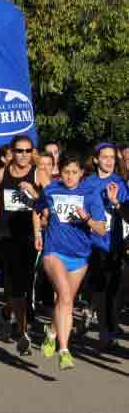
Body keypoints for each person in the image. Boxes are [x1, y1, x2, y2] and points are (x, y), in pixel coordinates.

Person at [35, 154, 107, 370]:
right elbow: (38, 209)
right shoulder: (51, 190)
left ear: (81, 174)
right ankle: (64, 350)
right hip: (54, 251)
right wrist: (40, 228)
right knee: (65, 296)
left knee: (65, 301)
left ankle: (52, 331)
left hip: (79, 256)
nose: (69, 176)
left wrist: (86, 218)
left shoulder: (90, 194)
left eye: (74, 172)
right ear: (60, 171)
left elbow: (101, 229)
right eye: (66, 172)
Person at [0, 135, 48, 354]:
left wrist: (34, 193)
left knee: (24, 285)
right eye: (19, 151)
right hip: (6, 234)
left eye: (28, 151)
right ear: (12, 152)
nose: (24, 155)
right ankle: (22, 332)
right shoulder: (1, 174)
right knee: (14, 284)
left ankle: (5, 313)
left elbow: (50, 201)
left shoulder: (38, 174)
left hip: (30, 234)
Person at [82, 143, 127, 350]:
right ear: (96, 159)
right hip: (93, 242)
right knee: (100, 287)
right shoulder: (87, 182)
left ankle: (105, 328)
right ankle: (104, 330)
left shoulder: (119, 182)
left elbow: (127, 212)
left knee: (112, 289)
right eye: (105, 157)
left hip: (114, 242)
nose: (109, 161)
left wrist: (115, 202)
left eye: (112, 157)